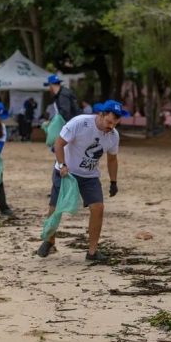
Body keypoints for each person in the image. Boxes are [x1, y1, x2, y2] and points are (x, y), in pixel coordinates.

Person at [37, 100, 129, 263]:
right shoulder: (80, 123)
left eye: (115, 124)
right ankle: (50, 241)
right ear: (101, 115)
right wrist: (62, 165)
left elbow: (112, 159)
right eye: (109, 122)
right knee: (54, 207)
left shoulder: (113, 136)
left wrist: (114, 181)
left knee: (98, 208)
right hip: (66, 172)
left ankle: (92, 251)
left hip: (90, 176)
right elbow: (58, 144)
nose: (111, 127)